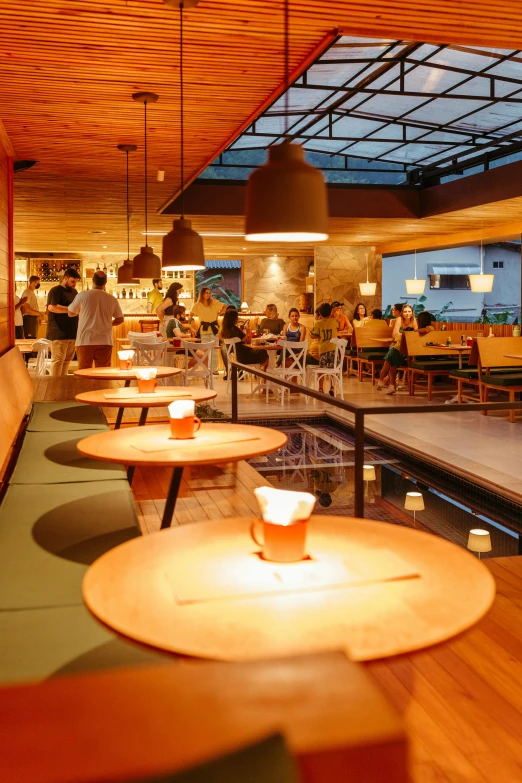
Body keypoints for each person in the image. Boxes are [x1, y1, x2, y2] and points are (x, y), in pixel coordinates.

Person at [68, 270, 124, 369]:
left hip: (85, 340)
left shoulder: (82, 295)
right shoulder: (112, 299)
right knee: (103, 373)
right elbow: (120, 319)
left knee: (84, 373)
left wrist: (82, 312)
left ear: (92, 280)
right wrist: (109, 323)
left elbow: (70, 312)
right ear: (105, 283)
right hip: (105, 340)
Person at [46, 267, 81, 376]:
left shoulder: (75, 292)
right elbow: (51, 307)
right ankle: (55, 387)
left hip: (72, 332)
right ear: (65, 278)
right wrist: (70, 310)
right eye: (72, 281)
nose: (74, 284)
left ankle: (62, 385)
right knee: (58, 360)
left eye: (76, 282)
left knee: (67, 360)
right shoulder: (55, 290)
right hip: (58, 332)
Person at [377, 303, 417, 395]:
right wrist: (404, 335)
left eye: (409, 311)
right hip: (398, 346)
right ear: (402, 313)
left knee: (389, 361)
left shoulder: (414, 320)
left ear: (412, 313)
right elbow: (394, 334)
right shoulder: (399, 319)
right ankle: (390, 385)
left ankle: (384, 382)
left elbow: (416, 333)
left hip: (408, 348)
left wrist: (403, 335)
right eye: (405, 311)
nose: (407, 313)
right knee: (391, 363)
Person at [191, 287, 225, 374]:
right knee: (204, 350)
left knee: (214, 349)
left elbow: (225, 306)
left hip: (214, 328)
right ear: (202, 294)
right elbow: (190, 315)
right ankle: (206, 368)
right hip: (204, 328)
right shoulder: (197, 305)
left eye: (209, 293)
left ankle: (214, 369)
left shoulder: (214, 302)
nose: (208, 294)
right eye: (206, 293)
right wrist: (192, 326)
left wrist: (219, 313)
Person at [310, 303, 339, 394]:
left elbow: (314, 335)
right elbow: (338, 325)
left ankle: (321, 388)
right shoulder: (334, 321)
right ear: (330, 312)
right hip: (334, 349)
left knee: (321, 369)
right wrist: (334, 315)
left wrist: (310, 334)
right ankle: (332, 387)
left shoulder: (318, 323)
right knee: (333, 370)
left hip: (323, 350)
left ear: (320, 314)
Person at [21, 275, 42, 339]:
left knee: (33, 338)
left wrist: (38, 317)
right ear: (33, 282)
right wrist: (39, 313)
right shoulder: (27, 292)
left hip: (32, 319)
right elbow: (26, 309)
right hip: (29, 319)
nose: (38, 284)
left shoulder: (31, 292)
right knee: (30, 339)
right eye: (38, 282)